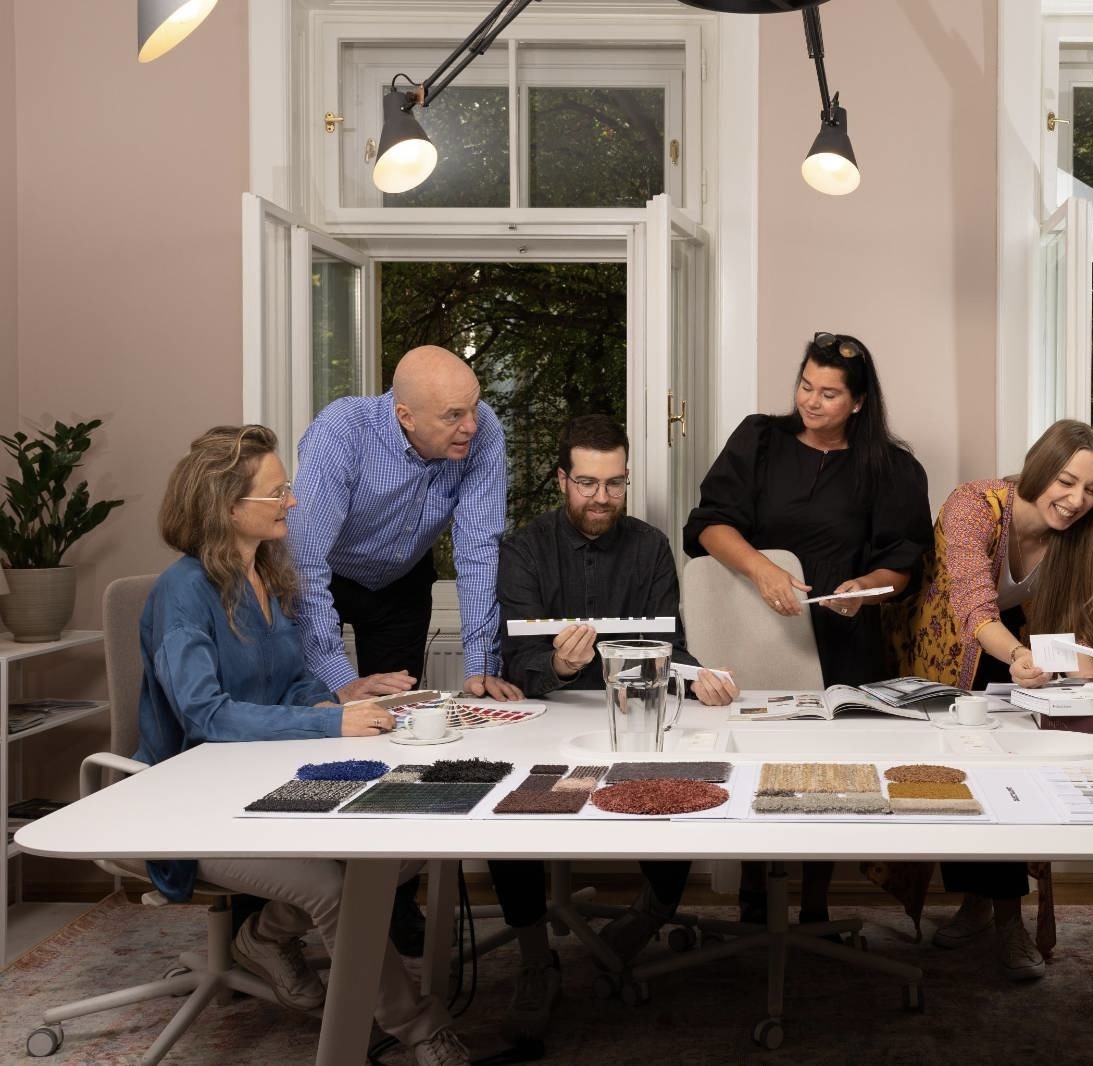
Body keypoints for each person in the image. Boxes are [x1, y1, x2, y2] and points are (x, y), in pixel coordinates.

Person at [134, 425, 469, 1066]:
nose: (293, 502)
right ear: (227, 507)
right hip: (191, 810)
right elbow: (206, 716)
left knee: (403, 849)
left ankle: (263, 936)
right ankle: (421, 1030)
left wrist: (345, 696)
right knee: (337, 888)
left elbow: (290, 685)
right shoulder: (182, 594)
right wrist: (327, 724)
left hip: (261, 786)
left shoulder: (261, 573)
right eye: (278, 491)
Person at [491, 414, 739, 1046]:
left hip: (637, 710)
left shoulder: (651, 546)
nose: (601, 498)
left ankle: (650, 913)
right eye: (587, 483)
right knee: (508, 802)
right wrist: (560, 663)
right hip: (549, 714)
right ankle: (533, 958)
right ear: (561, 480)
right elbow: (517, 664)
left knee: (685, 784)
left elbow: (673, 645)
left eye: (614, 483)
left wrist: (696, 675)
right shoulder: (524, 549)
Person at [684, 331, 932, 924]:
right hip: (755, 632)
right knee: (752, 764)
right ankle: (753, 901)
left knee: (831, 775)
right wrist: (762, 568)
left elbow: (904, 563)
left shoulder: (893, 467)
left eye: (828, 393)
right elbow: (708, 526)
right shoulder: (759, 439)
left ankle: (816, 906)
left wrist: (862, 590)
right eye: (805, 385)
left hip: (843, 642)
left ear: (859, 402)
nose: (811, 402)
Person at [287, 344, 523, 953]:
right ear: (405, 416)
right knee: (314, 732)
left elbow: (476, 549)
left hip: (402, 580)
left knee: (401, 735)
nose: (471, 425)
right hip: (328, 577)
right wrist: (338, 679)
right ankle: (286, 908)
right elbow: (304, 567)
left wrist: (481, 667)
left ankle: (391, 904)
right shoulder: (342, 432)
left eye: (473, 408)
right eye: (452, 416)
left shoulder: (483, 430)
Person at [890, 418, 1093, 980]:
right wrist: (1017, 655)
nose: (1076, 500)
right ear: (1040, 468)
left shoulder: (1078, 534)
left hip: (1021, 654)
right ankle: (991, 910)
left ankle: (996, 912)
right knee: (960, 777)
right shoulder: (972, 503)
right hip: (949, 648)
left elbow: (1080, 623)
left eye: (1091, 490)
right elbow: (971, 605)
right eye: (1066, 481)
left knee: (1016, 778)